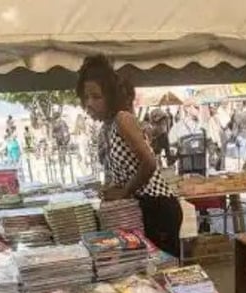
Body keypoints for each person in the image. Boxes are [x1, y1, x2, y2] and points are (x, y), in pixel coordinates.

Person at [76, 55, 182, 255]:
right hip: (137, 208)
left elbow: (149, 163)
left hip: (157, 206)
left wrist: (123, 191)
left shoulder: (122, 119)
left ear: (110, 96)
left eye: (96, 97)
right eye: (86, 97)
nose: (89, 103)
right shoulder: (106, 128)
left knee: (161, 271)